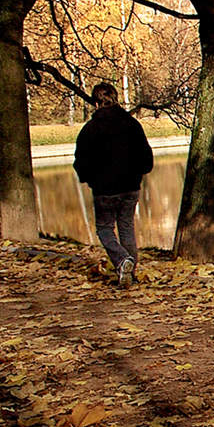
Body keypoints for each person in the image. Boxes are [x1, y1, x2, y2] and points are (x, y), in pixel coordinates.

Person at [73, 83, 154, 287]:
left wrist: (88, 179)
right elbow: (146, 158)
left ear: (95, 102)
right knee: (126, 227)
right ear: (116, 98)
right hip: (130, 186)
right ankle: (130, 272)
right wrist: (139, 174)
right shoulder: (132, 125)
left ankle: (121, 260)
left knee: (104, 228)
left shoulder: (90, 130)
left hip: (104, 189)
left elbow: (81, 161)